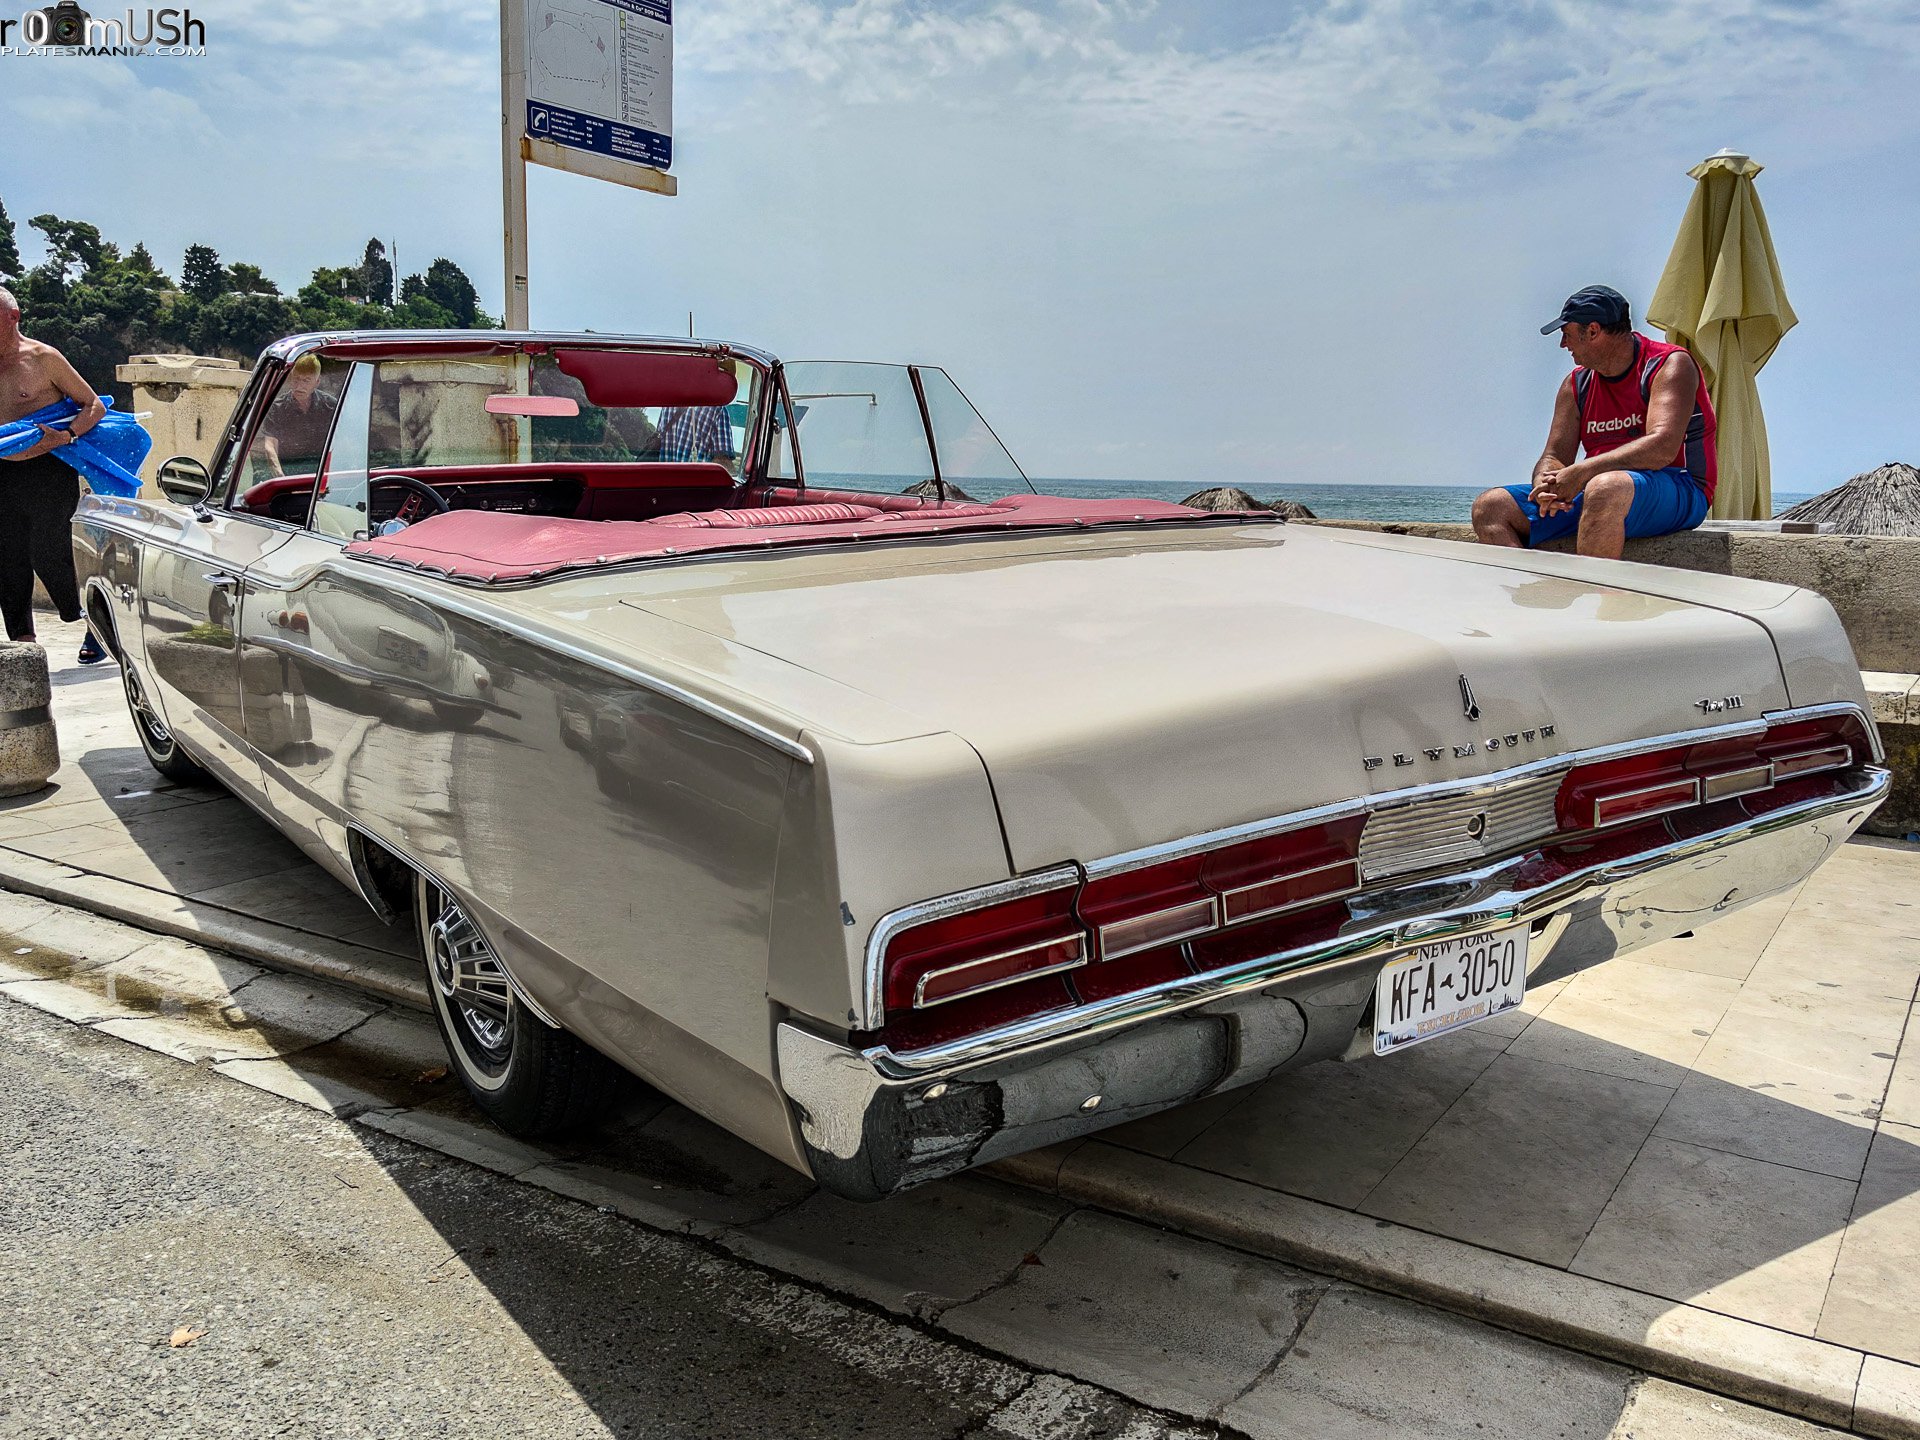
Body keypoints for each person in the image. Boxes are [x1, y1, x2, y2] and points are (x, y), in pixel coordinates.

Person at [1473, 285, 1717, 561]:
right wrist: (1545, 484)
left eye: (1566, 334)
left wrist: (1582, 473)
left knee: (1605, 487)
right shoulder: (1576, 384)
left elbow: (1661, 447)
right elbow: (1554, 456)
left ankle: (1596, 599)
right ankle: (1525, 596)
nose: (1563, 344)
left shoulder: (1668, 365)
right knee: (1490, 507)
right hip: (1600, 489)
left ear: (1592, 331)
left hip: (1680, 488)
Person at [0, 285, 108, 662]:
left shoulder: (43, 358)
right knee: (7, 558)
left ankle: (92, 625)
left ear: (14, 318)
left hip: (48, 466)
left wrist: (67, 435)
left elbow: (93, 404)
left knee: (48, 552)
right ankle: (23, 647)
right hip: (2, 473)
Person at [258, 354, 338, 477]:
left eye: (306, 380)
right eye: (296, 379)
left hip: (323, 475)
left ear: (317, 382)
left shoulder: (331, 406)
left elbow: (344, 441)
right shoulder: (278, 407)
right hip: (288, 473)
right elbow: (270, 445)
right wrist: (280, 476)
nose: (299, 386)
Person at [655, 404, 737, 467]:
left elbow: (658, 438)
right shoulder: (717, 409)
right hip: (695, 486)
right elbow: (723, 464)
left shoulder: (666, 405)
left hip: (662, 484)